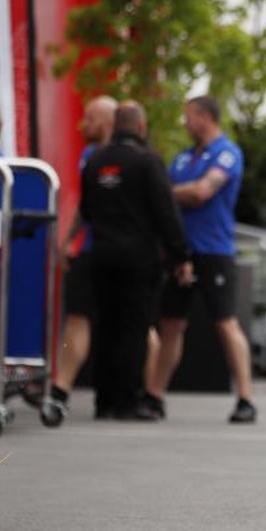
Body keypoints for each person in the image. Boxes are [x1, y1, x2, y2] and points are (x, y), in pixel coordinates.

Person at [80, 102, 192, 421]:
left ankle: (103, 400)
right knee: (134, 328)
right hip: (139, 259)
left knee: (106, 326)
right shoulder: (148, 161)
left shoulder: (95, 161)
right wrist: (180, 254)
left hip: (101, 255)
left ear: (115, 126)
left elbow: (87, 210)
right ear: (141, 127)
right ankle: (128, 402)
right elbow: (165, 212)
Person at [148, 95, 256, 424]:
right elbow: (176, 194)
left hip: (214, 252)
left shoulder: (227, 152)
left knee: (225, 323)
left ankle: (245, 399)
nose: (185, 122)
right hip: (182, 251)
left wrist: (166, 193)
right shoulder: (182, 159)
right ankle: (154, 396)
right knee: (171, 324)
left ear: (205, 117)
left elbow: (201, 193)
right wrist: (172, 193)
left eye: (189, 116)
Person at [41, 96, 118, 424]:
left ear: (106, 122)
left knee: (136, 325)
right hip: (90, 251)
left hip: (122, 254)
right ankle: (59, 391)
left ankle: (151, 392)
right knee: (77, 317)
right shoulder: (89, 155)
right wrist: (68, 241)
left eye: (89, 118)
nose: (82, 124)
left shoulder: (134, 158)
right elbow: (85, 206)